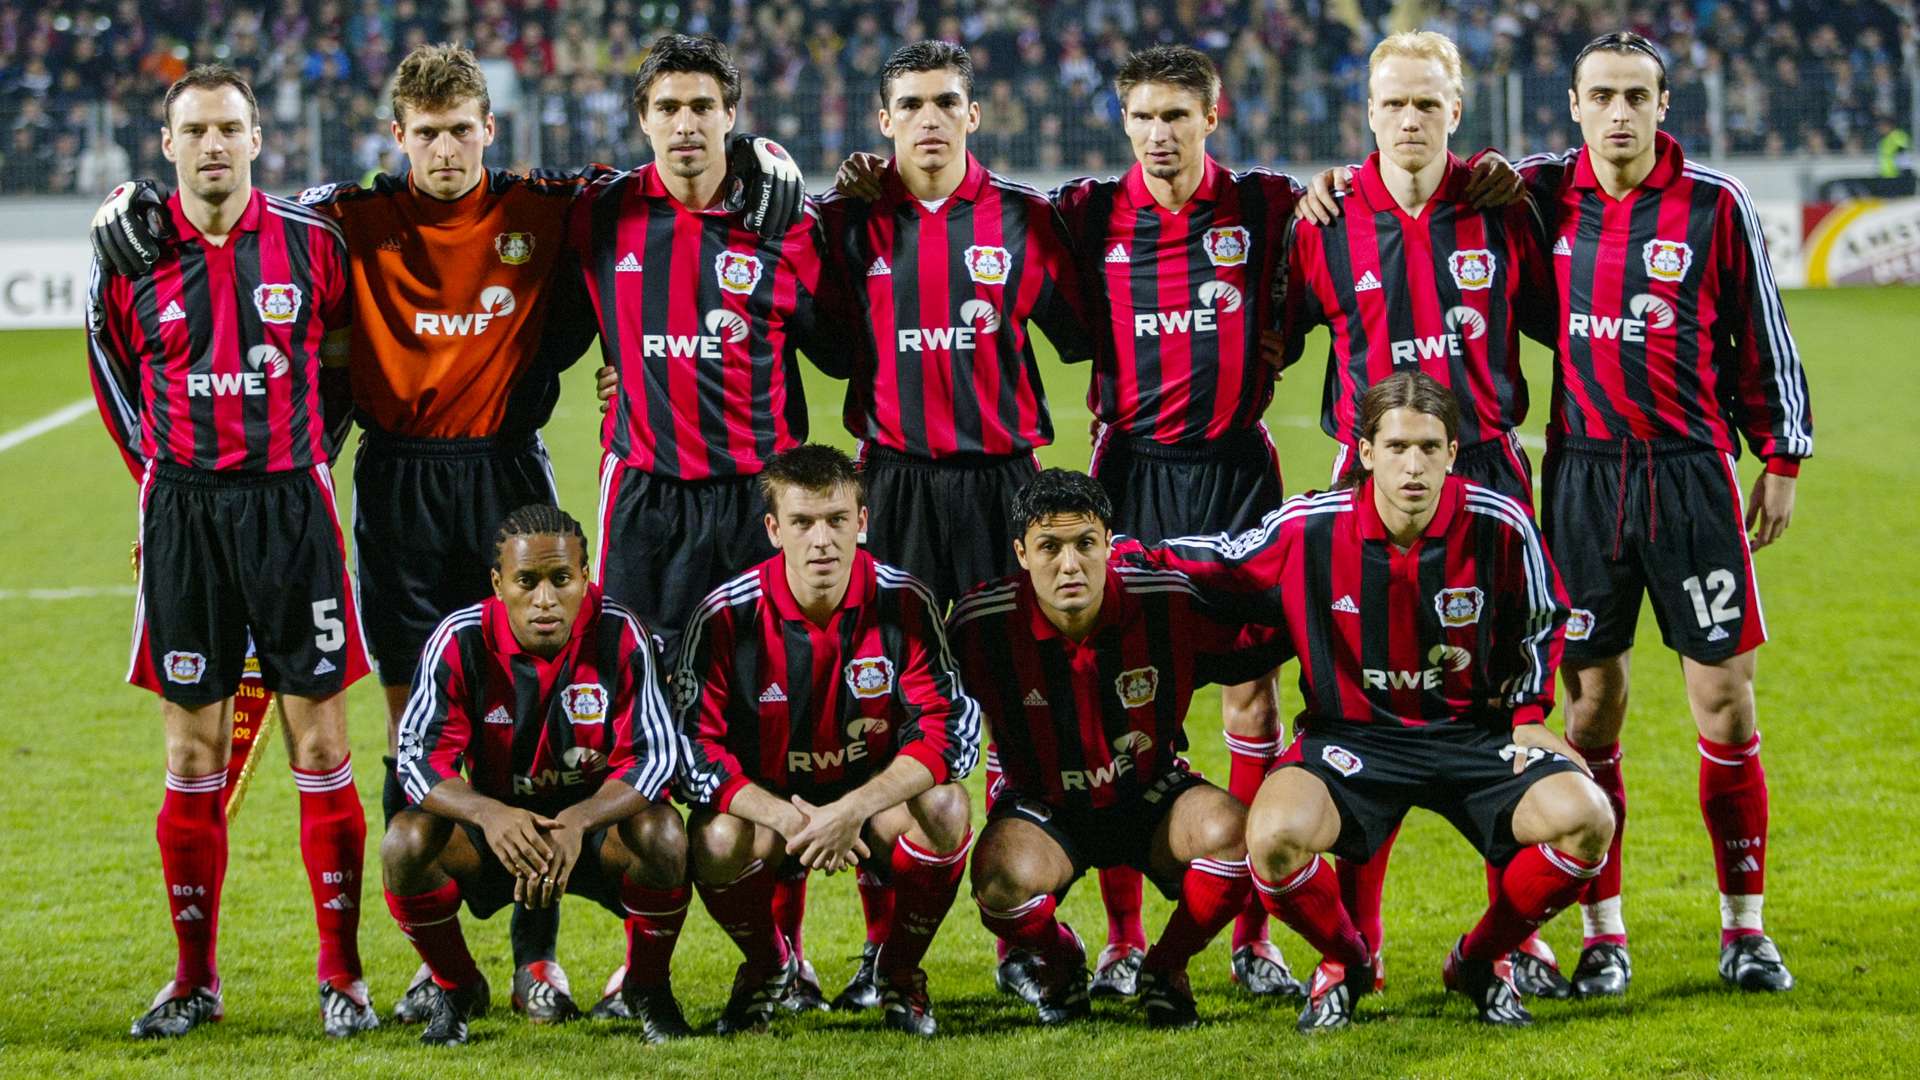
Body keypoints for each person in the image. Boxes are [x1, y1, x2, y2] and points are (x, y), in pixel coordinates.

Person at [87, 42, 805, 1021]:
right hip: (396, 488)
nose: (447, 150)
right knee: (414, 727)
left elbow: (665, 177)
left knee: (545, 727)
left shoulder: (544, 204)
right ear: (399, 138)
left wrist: (767, 160)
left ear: (488, 130)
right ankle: (436, 963)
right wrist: (126, 201)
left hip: (508, 475)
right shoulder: (349, 216)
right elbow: (236, 214)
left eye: (463, 130)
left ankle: (535, 960)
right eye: (426, 134)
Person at [1129, 372, 1614, 1030]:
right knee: (1270, 839)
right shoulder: (1311, 526)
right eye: (1395, 447)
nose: (1411, 465)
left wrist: (1529, 716)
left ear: (1451, 452)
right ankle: (1348, 960)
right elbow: (1219, 559)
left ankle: (1479, 959)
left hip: (1471, 735)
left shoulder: (1498, 522)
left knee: (1588, 819)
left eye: (1427, 446)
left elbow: (1542, 617)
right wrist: (1118, 559)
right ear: (1364, 453)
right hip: (1351, 739)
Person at [1512, 31, 1812, 996]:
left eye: (1637, 95)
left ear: (1664, 104)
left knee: (1724, 699)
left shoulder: (1716, 205)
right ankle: (1605, 935)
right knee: (1591, 711)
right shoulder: (1540, 196)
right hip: (1586, 481)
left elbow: (1764, 330)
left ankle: (1745, 928)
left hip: (1690, 477)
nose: (1620, 113)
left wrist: (1782, 454)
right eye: (1601, 96)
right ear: (1572, 106)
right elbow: (1435, 176)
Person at [85, 65, 375, 1039]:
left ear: (259, 140)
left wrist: (306, 460)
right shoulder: (135, 255)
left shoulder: (311, 247)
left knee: (323, 744)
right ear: (166, 148)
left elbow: (343, 364)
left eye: (231, 129)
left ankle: (343, 979)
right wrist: (157, 487)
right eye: (195, 130)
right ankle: (194, 981)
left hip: (293, 509)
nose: (215, 145)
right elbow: (111, 372)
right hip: (185, 519)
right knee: (192, 747)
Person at [806, 38, 1091, 1007]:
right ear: (883, 122)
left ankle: (1028, 935)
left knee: (1027, 713)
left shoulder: (1025, 220)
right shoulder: (847, 226)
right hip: (894, 490)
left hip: (1004, 488)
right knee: (884, 714)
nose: (930, 118)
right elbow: (816, 341)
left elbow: (1085, 337)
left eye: (947, 101)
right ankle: (888, 955)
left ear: (975, 114)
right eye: (911, 104)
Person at [1284, 30, 1564, 996]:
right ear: (1367, 112)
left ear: (1458, 110)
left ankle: (1514, 941)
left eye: (1429, 104)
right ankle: (1350, 948)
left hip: (1486, 470)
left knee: (1504, 700)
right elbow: (1275, 336)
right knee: (1362, 707)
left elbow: (1561, 313)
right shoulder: (1321, 219)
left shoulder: (1503, 209)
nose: (1411, 120)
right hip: (1366, 485)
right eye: (1394, 103)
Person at [949, 469, 1287, 1028]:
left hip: (1150, 795)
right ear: (1021, 553)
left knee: (1236, 838)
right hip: (1045, 808)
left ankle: (1165, 967)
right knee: (999, 881)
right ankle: (1061, 962)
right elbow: (929, 707)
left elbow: (1258, 641)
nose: (1070, 563)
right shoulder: (980, 626)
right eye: (1049, 547)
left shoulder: (1168, 601)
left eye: (1085, 543)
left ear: (1110, 543)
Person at [675, 444, 979, 1037]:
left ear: (862, 523)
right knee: (714, 837)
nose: (822, 541)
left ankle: (899, 972)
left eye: (837, 520)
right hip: (773, 809)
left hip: (870, 805)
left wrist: (851, 810)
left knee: (945, 807)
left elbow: (950, 735)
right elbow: (692, 750)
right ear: (773, 529)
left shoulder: (905, 601)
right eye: (803, 523)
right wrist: (791, 821)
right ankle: (768, 967)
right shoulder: (723, 616)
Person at [386, 505, 689, 1046]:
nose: (545, 599)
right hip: (498, 837)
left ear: (585, 577)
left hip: (594, 835)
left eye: (561, 580)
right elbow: (415, 757)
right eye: (527, 581)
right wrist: (489, 813)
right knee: (405, 844)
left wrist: (577, 821)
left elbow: (657, 757)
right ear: (499, 584)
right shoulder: (459, 638)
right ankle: (457, 986)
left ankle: (647, 987)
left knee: (663, 834)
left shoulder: (621, 633)